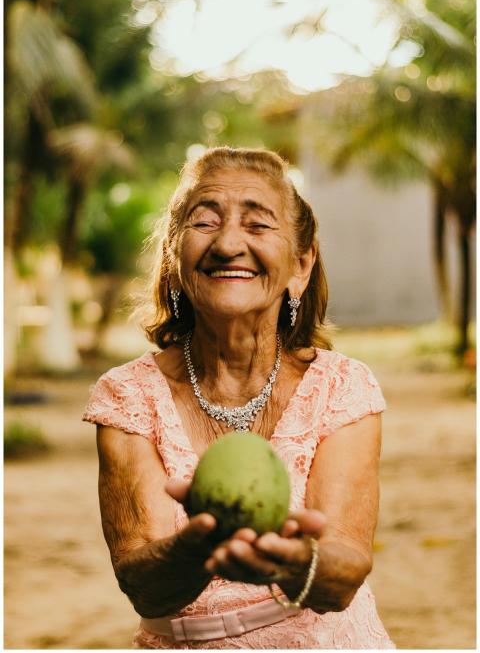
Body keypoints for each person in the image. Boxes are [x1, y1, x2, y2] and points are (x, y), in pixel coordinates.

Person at [83, 146, 395, 649]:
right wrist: (198, 546)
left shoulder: (341, 388)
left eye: (257, 225)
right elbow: (142, 585)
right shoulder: (127, 396)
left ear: (300, 264)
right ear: (173, 256)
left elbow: (344, 573)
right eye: (205, 222)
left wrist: (295, 562)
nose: (229, 243)